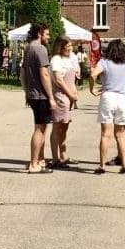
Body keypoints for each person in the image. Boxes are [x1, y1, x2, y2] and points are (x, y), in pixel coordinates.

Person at [90, 39, 125, 173]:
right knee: (120, 133)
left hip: (108, 96)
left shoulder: (104, 62)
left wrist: (92, 89)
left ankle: (102, 165)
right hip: (124, 98)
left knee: (105, 134)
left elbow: (93, 74)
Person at [20, 23, 56, 174]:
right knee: (40, 129)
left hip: (32, 94)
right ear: (40, 33)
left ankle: (40, 159)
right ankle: (34, 163)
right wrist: (51, 97)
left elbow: (22, 73)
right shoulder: (40, 49)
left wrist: (26, 91)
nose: (49, 37)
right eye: (47, 34)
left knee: (42, 127)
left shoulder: (28, 48)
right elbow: (44, 74)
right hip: (41, 95)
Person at [49, 37, 79, 167]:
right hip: (61, 96)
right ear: (60, 47)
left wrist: (74, 92)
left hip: (69, 96)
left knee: (65, 126)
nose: (70, 49)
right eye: (67, 47)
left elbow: (73, 77)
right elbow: (59, 79)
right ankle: (55, 158)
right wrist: (70, 94)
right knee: (57, 126)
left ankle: (64, 155)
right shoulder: (56, 59)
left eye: (70, 46)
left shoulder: (69, 58)